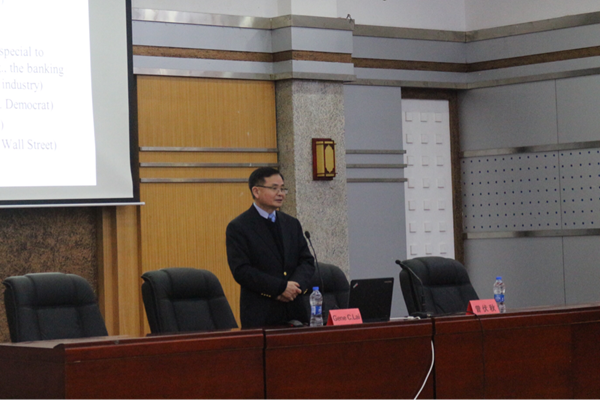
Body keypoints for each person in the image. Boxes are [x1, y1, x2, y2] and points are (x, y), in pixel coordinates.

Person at [226, 167, 315, 328]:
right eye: (274, 188)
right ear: (256, 191)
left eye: (283, 189)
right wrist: (280, 288)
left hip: (295, 309)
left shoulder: (291, 223)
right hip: (261, 312)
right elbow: (242, 270)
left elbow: (307, 261)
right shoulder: (239, 227)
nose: (281, 194)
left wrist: (295, 287)